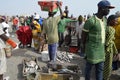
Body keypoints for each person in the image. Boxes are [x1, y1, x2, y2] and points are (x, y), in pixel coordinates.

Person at [81, 0, 115, 80]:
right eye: (107, 8)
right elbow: (83, 35)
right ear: (101, 8)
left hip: (101, 51)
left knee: (100, 71)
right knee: (88, 69)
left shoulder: (105, 20)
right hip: (92, 51)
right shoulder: (91, 21)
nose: (109, 10)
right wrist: (83, 47)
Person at [103, 15, 118, 80]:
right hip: (109, 50)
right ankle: (106, 78)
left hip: (103, 49)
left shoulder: (105, 28)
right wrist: (115, 51)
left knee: (104, 65)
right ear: (111, 21)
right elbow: (109, 41)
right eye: (115, 20)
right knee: (108, 66)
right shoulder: (112, 29)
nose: (117, 22)